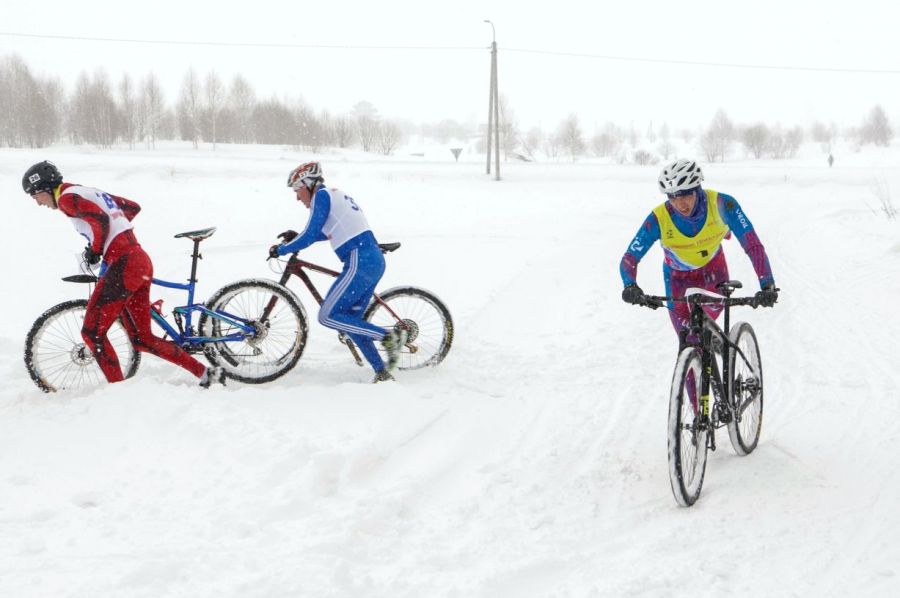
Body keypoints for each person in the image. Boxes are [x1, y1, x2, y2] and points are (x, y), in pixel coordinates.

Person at [22, 160, 225, 388]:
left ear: (44, 188)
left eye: (34, 196)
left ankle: (117, 391)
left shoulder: (67, 199)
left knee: (92, 333)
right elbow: (131, 207)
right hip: (138, 262)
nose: (37, 203)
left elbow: (100, 219)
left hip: (124, 265)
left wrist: (96, 250)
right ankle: (206, 373)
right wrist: (115, 237)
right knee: (141, 339)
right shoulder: (86, 191)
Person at [268, 161, 406, 383]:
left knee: (328, 316)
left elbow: (312, 234)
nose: (296, 197)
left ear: (308, 183)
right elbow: (326, 231)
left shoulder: (321, 196)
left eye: (297, 190)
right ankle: (382, 372)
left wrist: (282, 249)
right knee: (350, 321)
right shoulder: (333, 194)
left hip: (359, 260)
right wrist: (297, 236)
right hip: (371, 260)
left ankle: (391, 338)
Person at [619, 158, 778, 344]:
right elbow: (630, 258)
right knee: (688, 341)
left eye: (686, 195)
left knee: (702, 333)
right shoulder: (659, 218)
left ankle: (710, 345)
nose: (680, 203)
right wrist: (630, 285)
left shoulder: (722, 205)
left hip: (714, 274)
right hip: (676, 280)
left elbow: (753, 246)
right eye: (672, 196)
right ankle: (695, 359)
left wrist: (767, 284)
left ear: (698, 188)